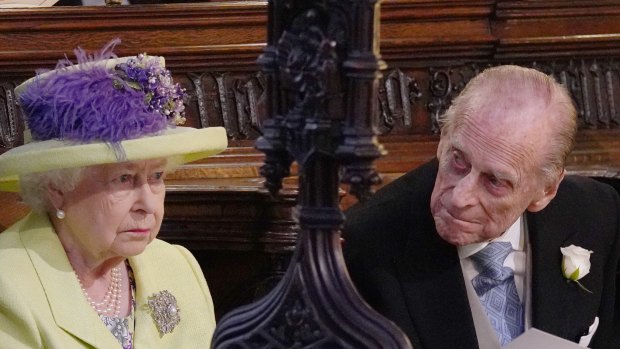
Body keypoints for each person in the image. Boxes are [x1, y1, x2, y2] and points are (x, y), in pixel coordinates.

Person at [343, 65, 620, 349]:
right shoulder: (364, 246)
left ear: (545, 190)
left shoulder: (595, 213)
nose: (460, 198)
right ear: (443, 140)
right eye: (458, 160)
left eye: (495, 181)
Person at [0, 39, 227, 348]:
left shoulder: (177, 266)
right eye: (123, 179)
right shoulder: (8, 283)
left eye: (156, 176)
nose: (148, 204)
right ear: (56, 188)